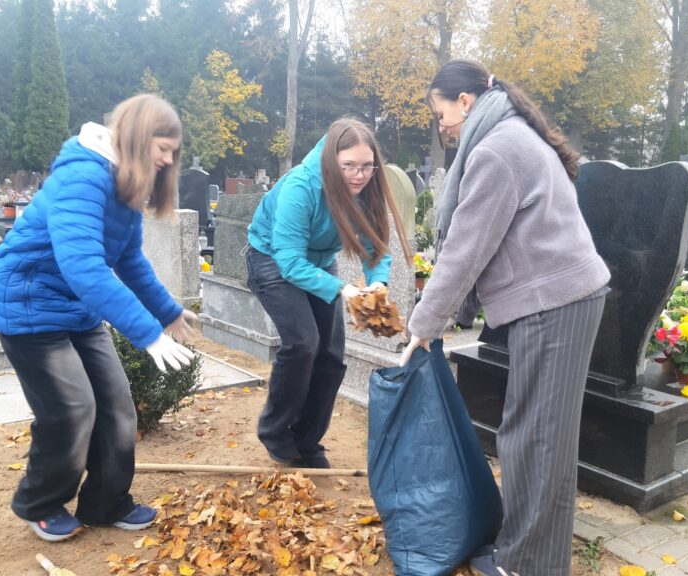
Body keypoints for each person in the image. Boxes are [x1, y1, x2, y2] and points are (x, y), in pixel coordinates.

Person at [400, 59, 611, 576]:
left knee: (536, 439)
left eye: (440, 111)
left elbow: (465, 251)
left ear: (464, 102)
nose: (442, 124)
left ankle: (527, 565)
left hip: (553, 302)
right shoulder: (510, 133)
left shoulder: (495, 150)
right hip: (562, 297)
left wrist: (424, 326)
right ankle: (532, 554)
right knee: (542, 435)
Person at [0, 94, 197, 542]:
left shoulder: (125, 185)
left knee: (118, 403)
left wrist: (169, 313)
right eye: (162, 147)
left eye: (173, 151)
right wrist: (148, 335)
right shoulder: (83, 176)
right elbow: (84, 266)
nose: (167, 158)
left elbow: (130, 261)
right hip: (27, 302)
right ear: (138, 139)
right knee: (72, 408)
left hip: (76, 307)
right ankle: (39, 502)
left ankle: (106, 501)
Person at [246, 117, 410, 469]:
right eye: (349, 166)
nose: (359, 175)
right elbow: (288, 261)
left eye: (367, 166)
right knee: (304, 343)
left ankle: (307, 440)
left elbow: (375, 246)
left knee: (332, 354)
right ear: (331, 162)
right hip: (273, 258)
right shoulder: (300, 187)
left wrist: (377, 283)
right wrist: (345, 289)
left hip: (318, 262)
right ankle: (276, 431)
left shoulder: (366, 190)